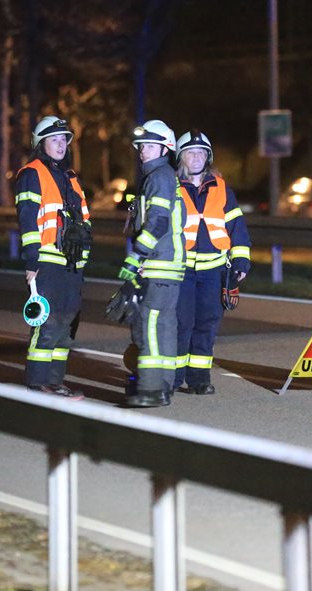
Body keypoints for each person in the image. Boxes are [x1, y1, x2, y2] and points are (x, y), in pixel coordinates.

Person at [15, 115, 91, 399]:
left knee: (68, 325)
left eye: (63, 140)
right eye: (54, 140)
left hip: (72, 263)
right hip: (46, 261)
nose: (60, 145)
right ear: (41, 144)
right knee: (47, 323)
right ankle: (38, 382)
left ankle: (56, 381)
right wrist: (31, 262)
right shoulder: (31, 174)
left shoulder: (71, 177)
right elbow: (27, 221)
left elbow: (84, 219)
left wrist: (84, 256)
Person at [173, 130, 251, 395]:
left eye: (201, 153)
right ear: (181, 157)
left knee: (206, 324)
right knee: (181, 323)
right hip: (181, 269)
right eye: (190, 152)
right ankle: (173, 379)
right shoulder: (171, 187)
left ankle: (199, 380)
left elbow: (236, 225)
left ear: (208, 157)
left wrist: (241, 260)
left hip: (214, 271)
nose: (196, 157)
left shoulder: (221, 187)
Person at [120, 120, 185, 407]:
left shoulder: (158, 177)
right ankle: (164, 386)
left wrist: (136, 256)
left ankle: (151, 389)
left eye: (149, 146)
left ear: (164, 149)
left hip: (157, 265)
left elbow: (158, 222)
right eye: (141, 146)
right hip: (170, 267)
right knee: (165, 327)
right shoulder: (165, 176)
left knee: (149, 326)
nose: (142, 151)